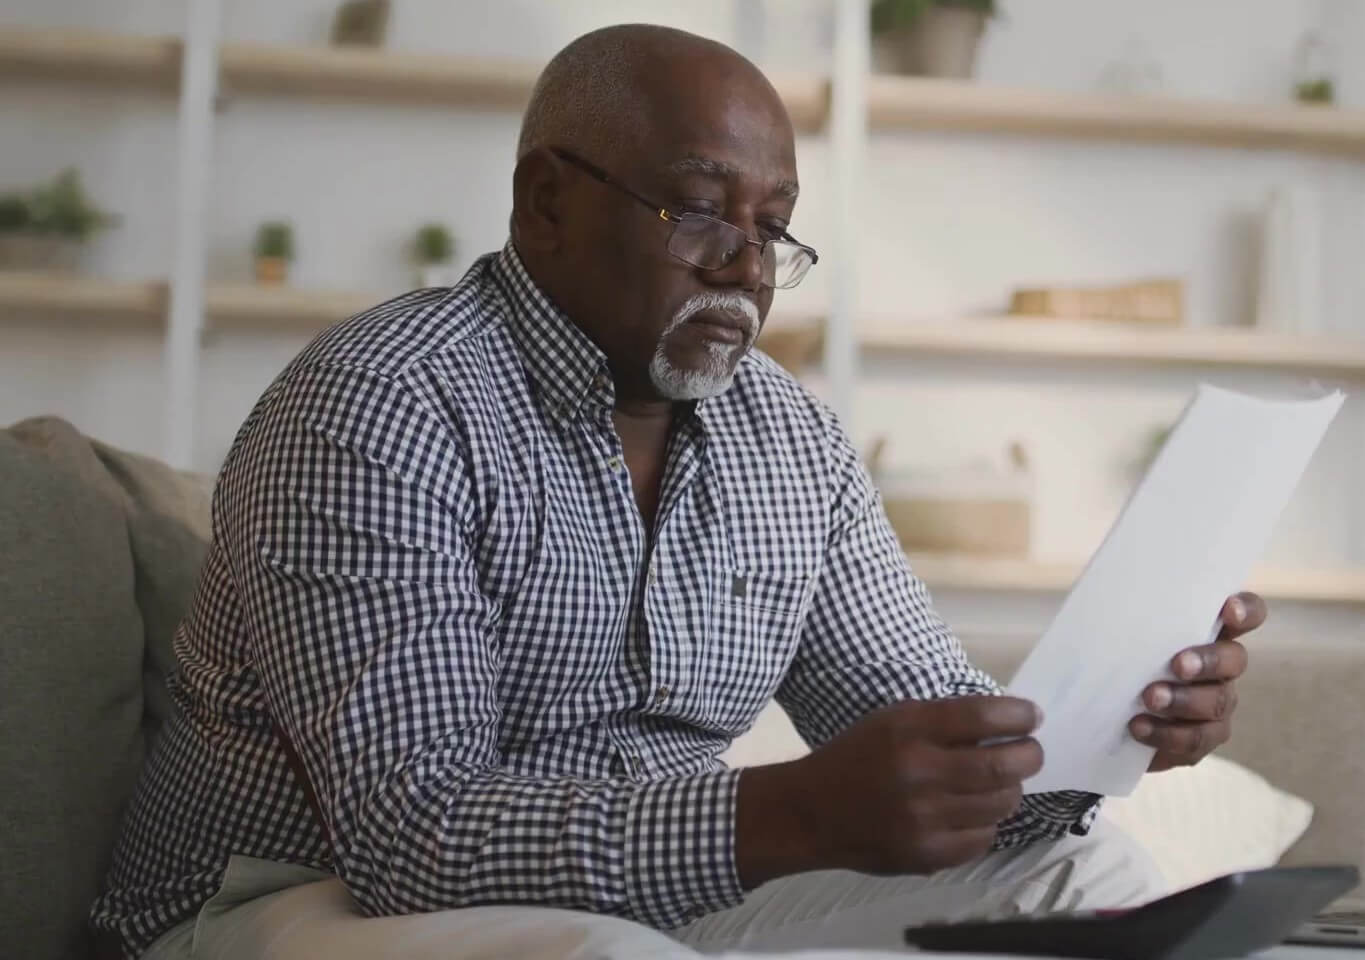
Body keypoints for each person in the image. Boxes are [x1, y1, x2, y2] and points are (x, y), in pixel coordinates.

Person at [91, 23, 1266, 960]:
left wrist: (1108, 727)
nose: (745, 265)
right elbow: (415, 837)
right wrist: (795, 815)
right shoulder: (382, 405)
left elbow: (915, 718)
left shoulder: (791, 441)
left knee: (1089, 881)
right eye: (700, 209)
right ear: (546, 202)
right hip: (284, 902)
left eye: (774, 229)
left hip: (647, 892)